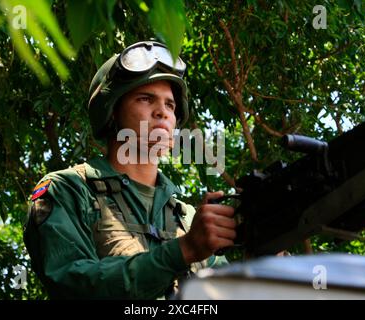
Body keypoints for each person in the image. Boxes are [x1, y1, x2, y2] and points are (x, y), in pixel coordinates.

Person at [23, 41, 236, 299]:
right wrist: (182, 251)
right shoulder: (68, 189)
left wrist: (263, 261)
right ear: (112, 113)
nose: (163, 112)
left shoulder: (188, 217)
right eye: (145, 99)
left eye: (170, 105)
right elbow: (73, 283)